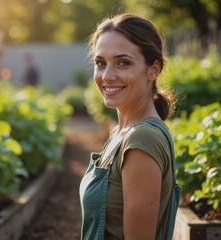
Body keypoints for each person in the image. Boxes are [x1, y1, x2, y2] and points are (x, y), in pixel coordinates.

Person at [79, 13, 178, 240]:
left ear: (153, 70)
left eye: (123, 63)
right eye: (100, 63)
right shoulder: (121, 133)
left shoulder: (142, 139)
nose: (107, 75)